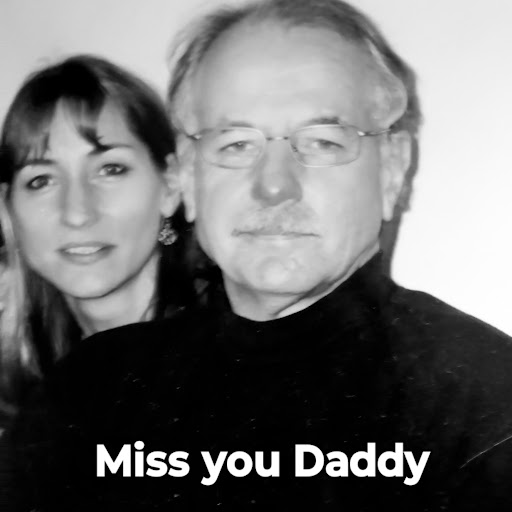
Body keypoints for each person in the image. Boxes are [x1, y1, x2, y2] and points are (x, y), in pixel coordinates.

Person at [8, 1, 512, 511]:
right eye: (235, 145)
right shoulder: (88, 391)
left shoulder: (486, 401)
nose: (274, 185)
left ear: (392, 169)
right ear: (188, 175)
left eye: (322, 142)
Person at [0, 55, 193, 414]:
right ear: (9, 206)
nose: (77, 213)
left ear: (170, 185)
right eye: (41, 180)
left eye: (110, 169)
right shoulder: (28, 387)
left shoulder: (233, 361)